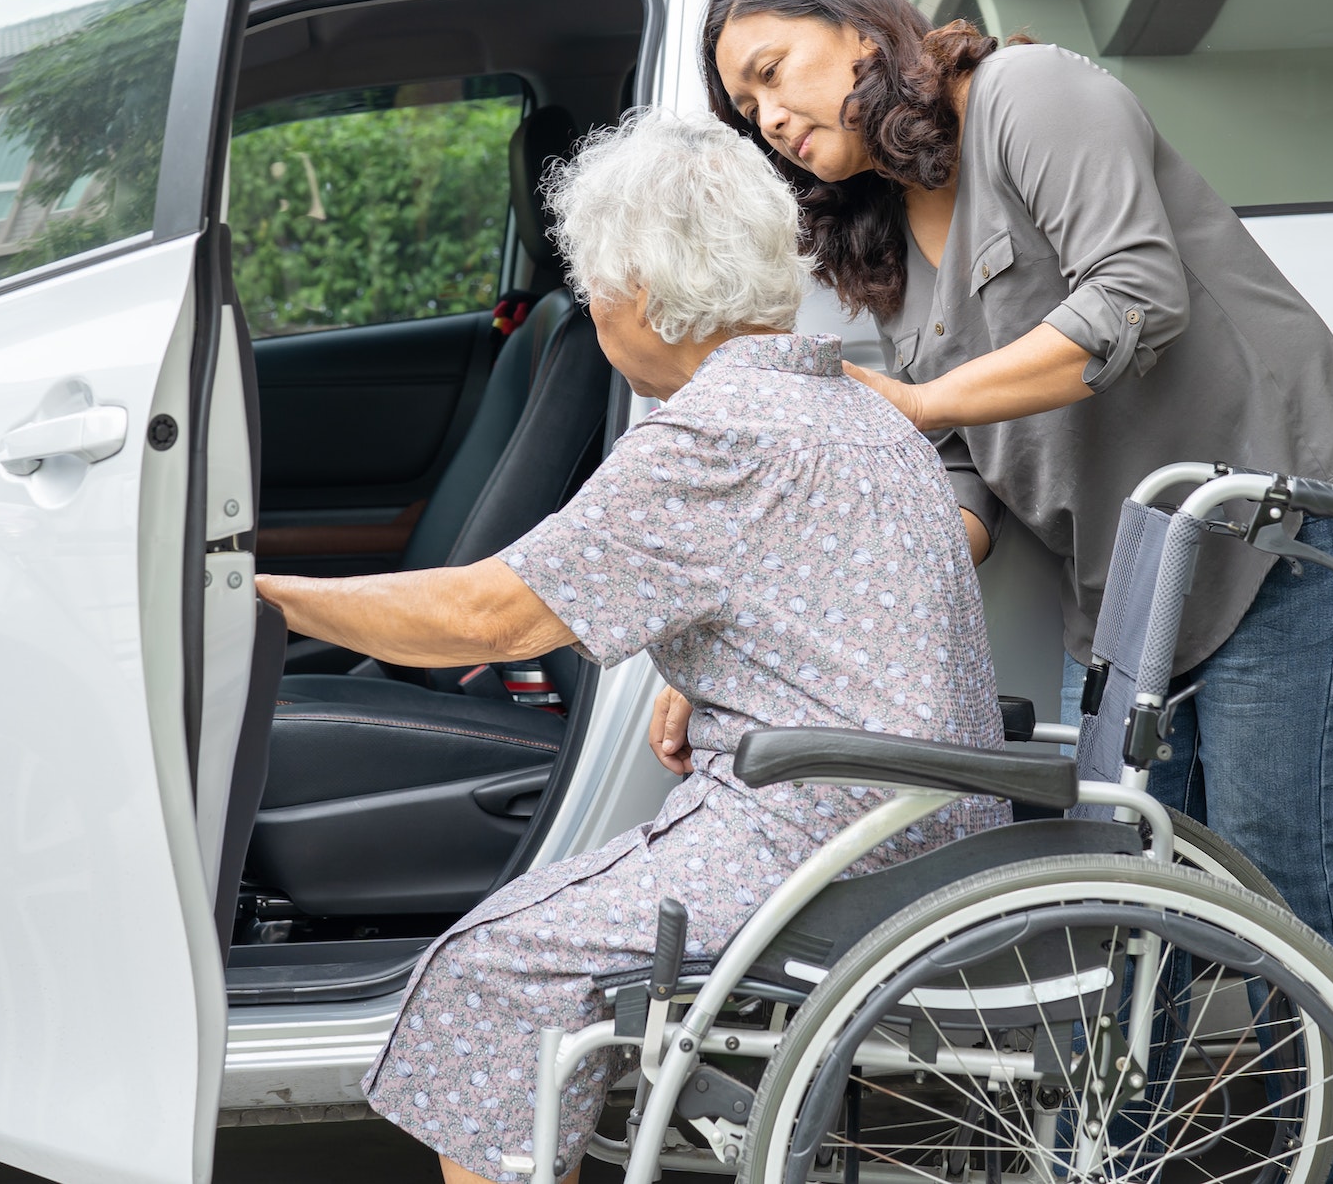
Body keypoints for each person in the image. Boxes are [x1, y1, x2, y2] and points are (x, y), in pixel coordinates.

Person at [697, 0, 1333, 1183]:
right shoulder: (885, 243)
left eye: (773, 72)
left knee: (1274, 890)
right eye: (746, 109)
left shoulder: (1027, 96)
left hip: (1270, 526)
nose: (770, 119)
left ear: (860, 29)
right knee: (1129, 911)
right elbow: (964, 482)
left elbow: (1136, 293)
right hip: (1137, 591)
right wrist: (777, 624)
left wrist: (918, 410)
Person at [255, 108, 1007, 1184]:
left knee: (492, 971)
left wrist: (267, 596)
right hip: (913, 814)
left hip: (826, 834)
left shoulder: (716, 433)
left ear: (641, 298)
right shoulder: (844, 400)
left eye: (597, 287)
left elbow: (489, 621)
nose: (597, 310)